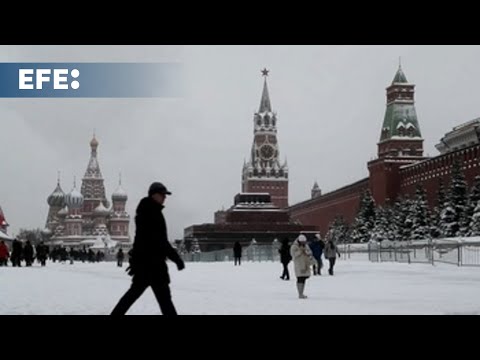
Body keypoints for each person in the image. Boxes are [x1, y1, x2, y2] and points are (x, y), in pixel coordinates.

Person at [111, 182, 185, 316]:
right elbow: (160, 241)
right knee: (163, 301)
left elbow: (145, 240)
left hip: (146, 266)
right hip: (152, 266)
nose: (164, 197)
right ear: (154, 195)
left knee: (135, 296)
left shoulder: (146, 211)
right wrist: (177, 259)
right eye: (162, 195)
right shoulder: (152, 213)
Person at [290, 234, 316, 299]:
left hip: (305, 264)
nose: (303, 243)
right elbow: (293, 255)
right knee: (300, 278)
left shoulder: (306, 246)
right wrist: (300, 251)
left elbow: (310, 252)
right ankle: (300, 293)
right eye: (302, 242)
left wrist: (306, 252)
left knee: (304, 278)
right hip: (299, 264)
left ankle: (302, 293)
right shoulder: (294, 246)